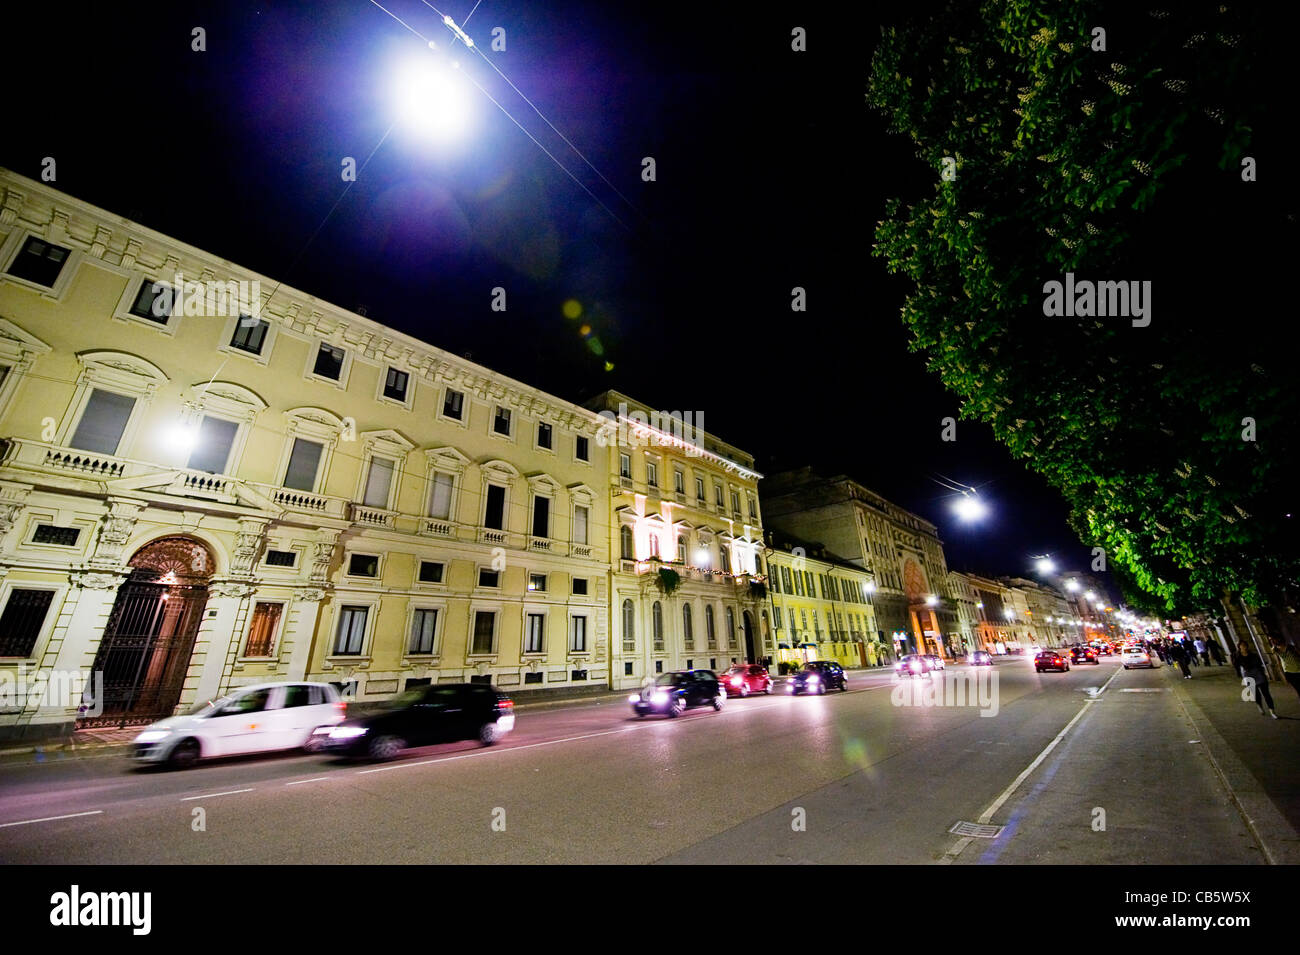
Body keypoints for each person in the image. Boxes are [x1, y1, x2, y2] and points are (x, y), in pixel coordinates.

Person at [1236, 640, 1278, 718]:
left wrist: (1263, 673)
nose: (1244, 647)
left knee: (1266, 694)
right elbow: (1238, 667)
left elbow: (1259, 664)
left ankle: (1272, 711)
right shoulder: (1238, 657)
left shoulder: (1253, 655)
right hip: (1249, 676)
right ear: (1239, 647)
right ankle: (1259, 705)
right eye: (1242, 645)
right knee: (1256, 694)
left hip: (1259, 674)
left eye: (1245, 645)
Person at [1273, 639, 1300, 703]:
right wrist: (1282, 675)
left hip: (1298, 670)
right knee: (1297, 688)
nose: (1273, 641)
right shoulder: (1275, 650)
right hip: (1289, 672)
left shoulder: (1290, 647)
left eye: (1273, 639)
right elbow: (1278, 663)